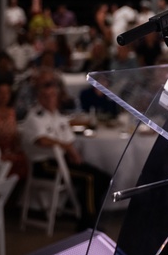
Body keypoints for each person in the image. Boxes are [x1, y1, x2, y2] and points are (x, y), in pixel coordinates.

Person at [22, 73, 111, 231]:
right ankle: (88, 224)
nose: (50, 99)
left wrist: (71, 149)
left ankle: (88, 213)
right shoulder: (35, 117)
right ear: (40, 98)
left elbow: (69, 139)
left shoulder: (58, 116)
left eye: (53, 95)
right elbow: (41, 140)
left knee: (104, 178)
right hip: (44, 164)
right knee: (89, 178)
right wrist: (67, 147)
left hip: (62, 161)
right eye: (46, 96)